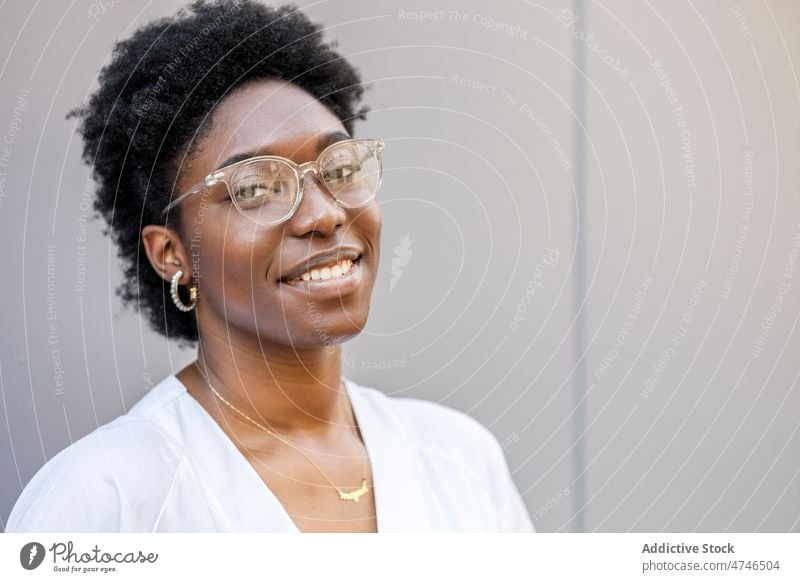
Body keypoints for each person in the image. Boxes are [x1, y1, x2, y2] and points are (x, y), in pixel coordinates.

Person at [6, 0, 534, 533]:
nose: (325, 214)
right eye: (255, 188)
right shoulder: (109, 497)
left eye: (341, 167)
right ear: (172, 254)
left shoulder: (460, 463)